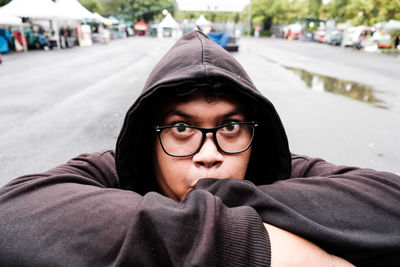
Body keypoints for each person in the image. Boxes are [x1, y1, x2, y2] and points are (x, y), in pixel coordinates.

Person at [0, 30, 399, 266]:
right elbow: (12, 213)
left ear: (254, 134)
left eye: (229, 126)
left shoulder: (269, 166)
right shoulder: (116, 171)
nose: (209, 153)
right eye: (180, 128)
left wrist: (222, 193)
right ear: (149, 138)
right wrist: (243, 244)